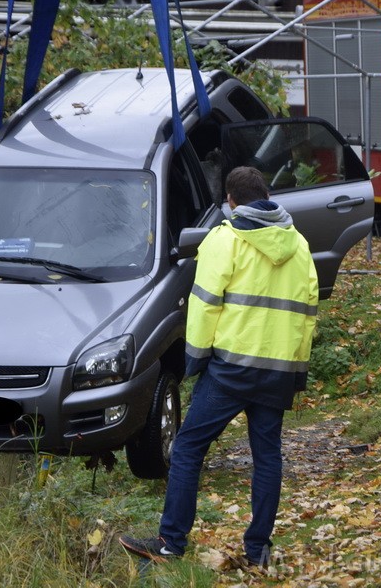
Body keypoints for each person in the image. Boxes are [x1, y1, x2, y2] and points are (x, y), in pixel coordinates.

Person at [119, 166, 319, 567]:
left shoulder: (224, 238)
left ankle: (171, 543)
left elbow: (205, 302)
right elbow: (306, 312)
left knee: (189, 446)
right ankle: (258, 551)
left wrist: (195, 359)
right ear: (267, 196)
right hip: (278, 370)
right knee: (267, 457)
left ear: (231, 200)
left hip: (231, 370)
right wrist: (296, 372)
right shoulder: (298, 245)